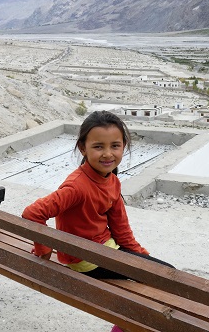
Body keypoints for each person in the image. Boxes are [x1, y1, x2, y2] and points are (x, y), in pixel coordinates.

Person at [22, 110, 174, 332]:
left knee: (166, 274)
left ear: (124, 146)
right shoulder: (76, 187)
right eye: (98, 146)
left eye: (115, 146)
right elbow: (32, 213)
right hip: (86, 259)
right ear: (83, 148)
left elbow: (121, 229)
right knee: (166, 284)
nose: (107, 154)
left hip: (105, 251)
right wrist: (43, 249)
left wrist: (140, 256)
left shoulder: (112, 180)